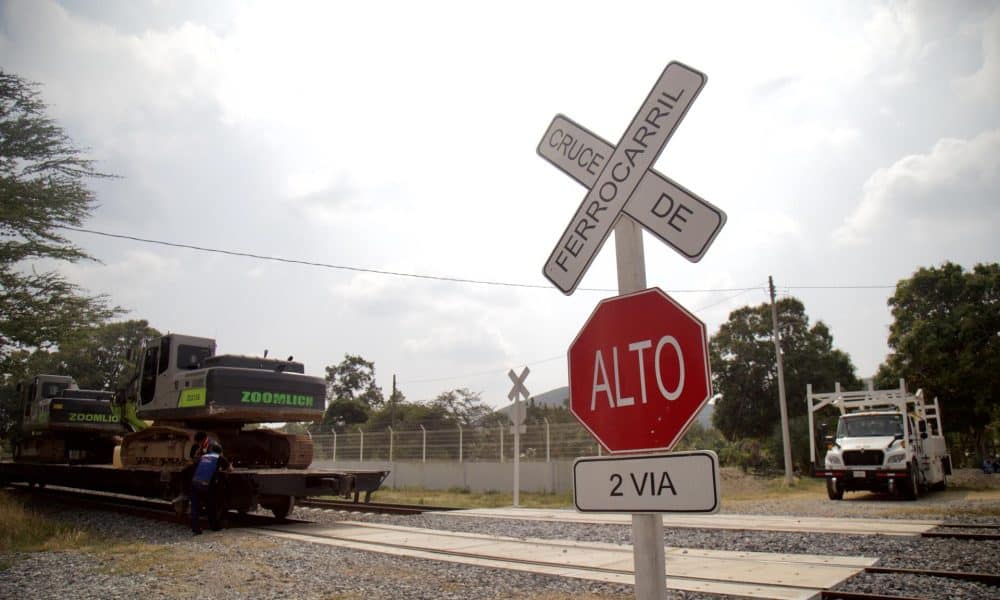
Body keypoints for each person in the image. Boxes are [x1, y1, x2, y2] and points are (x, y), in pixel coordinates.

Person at [190, 442, 230, 535]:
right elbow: (229, 469)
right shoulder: (219, 457)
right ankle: (214, 527)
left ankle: (196, 529)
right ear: (220, 452)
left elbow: (194, 466)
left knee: (195, 507)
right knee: (211, 506)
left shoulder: (203, 457)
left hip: (195, 483)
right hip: (207, 485)